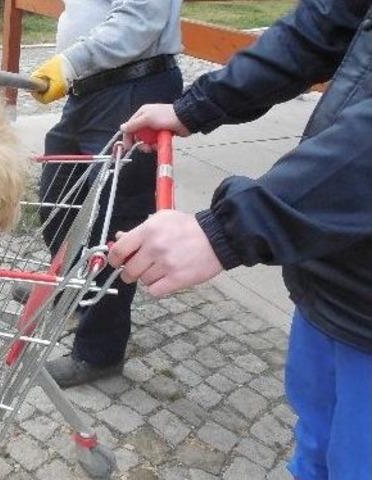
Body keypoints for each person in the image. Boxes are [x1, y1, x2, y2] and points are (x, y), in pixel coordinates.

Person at [115, 1, 372, 478]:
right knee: (316, 445)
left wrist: (227, 230)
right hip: (333, 269)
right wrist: (196, 107)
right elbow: (320, 25)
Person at [26, 0, 183, 387]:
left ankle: (99, 352)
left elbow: (141, 18)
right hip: (89, 90)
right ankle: (74, 289)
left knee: (117, 223)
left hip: (133, 86)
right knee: (57, 198)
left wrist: (70, 62)